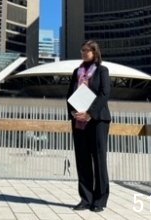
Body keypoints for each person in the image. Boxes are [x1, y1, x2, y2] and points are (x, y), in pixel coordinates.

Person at [66, 40, 111, 213]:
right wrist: (73, 112)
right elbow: (70, 94)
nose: (84, 53)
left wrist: (90, 113)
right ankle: (86, 198)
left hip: (97, 120)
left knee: (99, 160)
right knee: (82, 159)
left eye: (87, 50)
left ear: (95, 52)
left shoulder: (102, 71)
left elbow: (104, 94)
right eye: (82, 50)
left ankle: (100, 199)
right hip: (79, 120)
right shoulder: (77, 72)